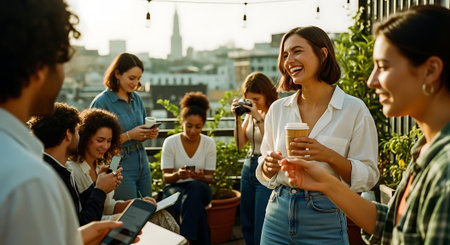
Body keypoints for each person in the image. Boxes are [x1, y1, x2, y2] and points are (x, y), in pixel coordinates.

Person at [281, 5, 450, 244]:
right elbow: (392, 226)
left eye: (383, 67)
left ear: (431, 70)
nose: (371, 81)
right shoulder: (424, 151)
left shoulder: (445, 172)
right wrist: (326, 183)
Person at [0, 0, 128, 244]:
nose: (63, 74)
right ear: (39, 68)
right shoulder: (29, 181)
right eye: (61, 62)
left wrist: (77, 237)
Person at [255, 25, 380, 244]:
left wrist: (328, 155)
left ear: (322, 55)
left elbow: (369, 176)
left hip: (326, 214)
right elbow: (265, 169)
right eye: (285, 54)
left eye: (297, 51)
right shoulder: (278, 109)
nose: (289, 60)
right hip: (277, 213)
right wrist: (267, 166)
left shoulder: (353, 110)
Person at [68, 108, 179, 233]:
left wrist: (134, 203)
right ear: (85, 138)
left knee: (160, 214)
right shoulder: (72, 170)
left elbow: (109, 206)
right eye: (100, 140)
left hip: (107, 219)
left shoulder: (103, 166)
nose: (105, 146)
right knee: (157, 219)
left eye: (109, 141)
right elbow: (82, 217)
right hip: (92, 227)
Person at [29, 102, 122, 226]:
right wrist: (100, 190)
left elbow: (77, 205)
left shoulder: (55, 167)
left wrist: (98, 185)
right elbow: (80, 225)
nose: (80, 137)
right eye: (77, 132)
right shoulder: (53, 175)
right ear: (68, 134)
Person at [91, 53, 158, 200]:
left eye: (139, 78)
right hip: (117, 161)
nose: (135, 83)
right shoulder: (102, 103)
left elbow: (139, 130)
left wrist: (148, 133)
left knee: (149, 206)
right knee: (127, 210)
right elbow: (96, 143)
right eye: (131, 78)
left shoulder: (137, 99)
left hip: (141, 159)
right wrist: (129, 135)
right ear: (117, 74)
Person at [161, 91, 216, 245]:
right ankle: (196, 240)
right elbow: (166, 177)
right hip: (175, 187)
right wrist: (178, 175)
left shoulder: (208, 143)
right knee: (195, 206)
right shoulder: (171, 142)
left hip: (200, 187)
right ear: (182, 122)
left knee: (196, 188)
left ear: (203, 125)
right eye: (189, 126)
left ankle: (185, 238)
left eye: (198, 127)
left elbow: (209, 178)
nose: (193, 131)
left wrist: (199, 177)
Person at [230, 72, 278, 245]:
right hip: (248, 165)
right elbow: (239, 143)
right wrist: (238, 117)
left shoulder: (274, 112)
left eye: (257, 99)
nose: (254, 103)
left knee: (261, 220)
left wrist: (258, 116)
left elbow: (271, 142)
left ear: (266, 94)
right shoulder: (250, 114)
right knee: (247, 220)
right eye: (249, 100)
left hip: (265, 167)